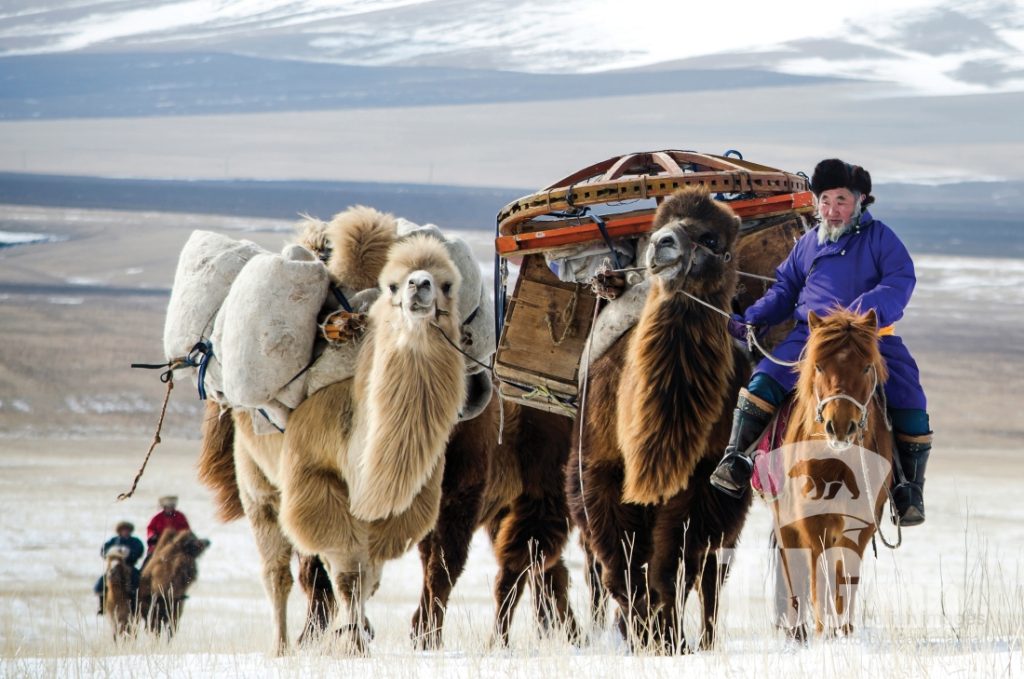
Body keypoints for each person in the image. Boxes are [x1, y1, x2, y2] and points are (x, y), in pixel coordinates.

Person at [709, 158, 933, 526]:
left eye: (841, 200)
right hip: (811, 338)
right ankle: (736, 459)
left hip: (869, 336)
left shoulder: (882, 239)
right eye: (825, 201)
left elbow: (899, 282)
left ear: (860, 201)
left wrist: (860, 314)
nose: (832, 210)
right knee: (764, 381)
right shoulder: (808, 244)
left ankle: (908, 489)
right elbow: (785, 289)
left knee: (910, 397)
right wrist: (752, 319)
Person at [94, 520, 145, 614]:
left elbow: (139, 551)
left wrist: (129, 554)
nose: (125, 532)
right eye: (123, 530)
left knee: (136, 581)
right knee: (101, 584)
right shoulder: (113, 541)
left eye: (127, 530)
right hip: (114, 566)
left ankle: (134, 605)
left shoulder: (135, 541)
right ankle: (102, 605)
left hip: (129, 566)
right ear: (119, 531)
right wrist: (112, 553)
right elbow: (104, 551)